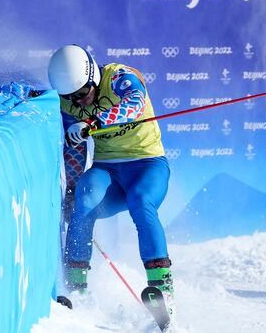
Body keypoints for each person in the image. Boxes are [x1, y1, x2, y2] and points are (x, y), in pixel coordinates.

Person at [48, 44, 174, 316]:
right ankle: (77, 290)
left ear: (93, 76)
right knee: (85, 198)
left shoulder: (118, 76)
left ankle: (163, 291)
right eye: (70, 96)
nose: (78, 101)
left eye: (82, 93)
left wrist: (93, 123)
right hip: (109, 171)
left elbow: (135, 102)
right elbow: (75, 148)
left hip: (147, 164)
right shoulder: (70, 102)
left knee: (141, 201)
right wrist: (72, 186)